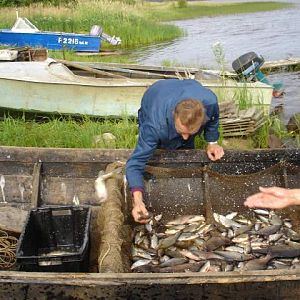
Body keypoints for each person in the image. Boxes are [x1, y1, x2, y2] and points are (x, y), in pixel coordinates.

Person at [126, 79, 224, 223]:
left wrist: (212, 142)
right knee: (157, 151)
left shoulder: (210, 103)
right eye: (181, 130)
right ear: (174, 115)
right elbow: (135, 163)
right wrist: (138, 201)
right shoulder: (154, 126)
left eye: (191, 132)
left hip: (188, 88)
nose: (185, 137)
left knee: (185, 148)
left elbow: (213, 121)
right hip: (155, 94)